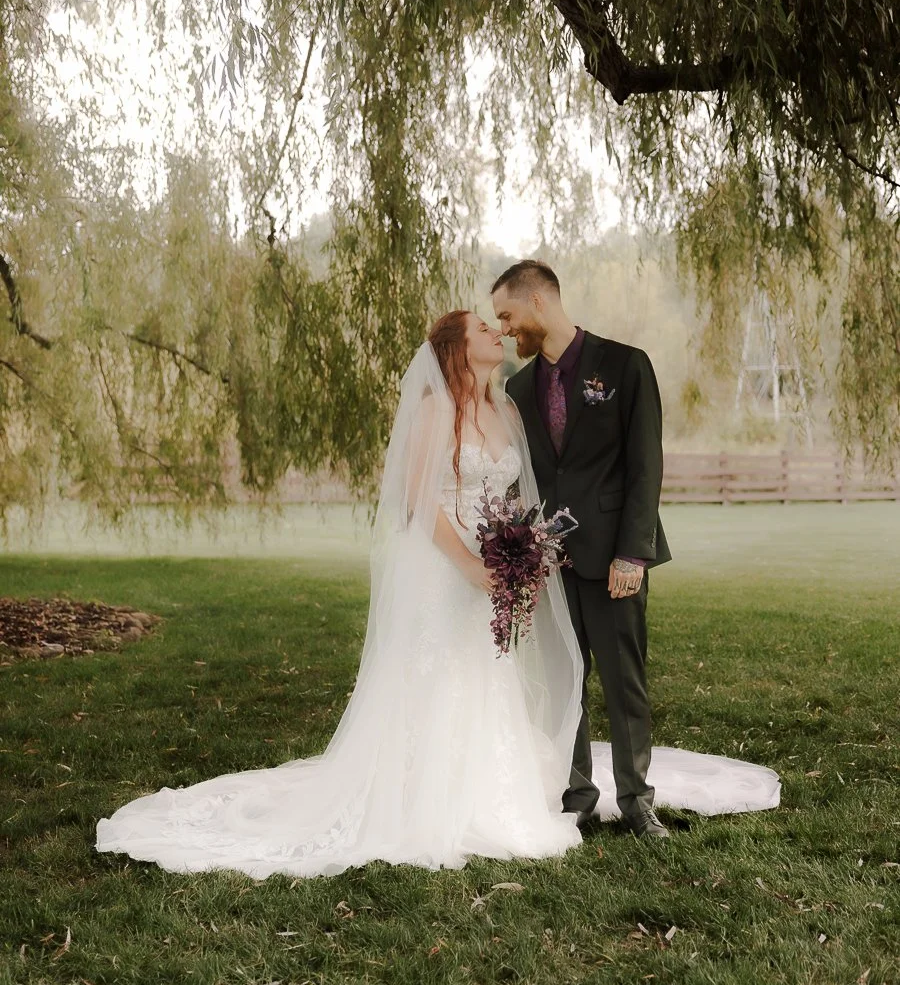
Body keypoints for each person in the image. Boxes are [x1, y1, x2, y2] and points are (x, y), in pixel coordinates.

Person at [96, 311, 585, 877]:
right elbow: (417, 502)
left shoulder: (505, 411)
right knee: (431, 674)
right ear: (456, 348)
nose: (497, 333)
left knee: (481, 672)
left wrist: (518, 550)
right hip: (441, 567)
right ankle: (413, 798)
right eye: (483, 328)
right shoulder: (436, 410)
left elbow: (514, 495)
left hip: (488, 569)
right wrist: (472, 566)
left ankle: (482, 794)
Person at [492, 259, 672, 838]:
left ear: (539, 302)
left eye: (508, 315)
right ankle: (578, 794)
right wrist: (519, 549)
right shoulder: (517, 389)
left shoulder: (625, 365)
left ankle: (637, 799)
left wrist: (633, 554)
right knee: (566, 681)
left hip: (614, 558)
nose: (505, 329)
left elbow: (646, 466)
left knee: (624, 681)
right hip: (551, 563)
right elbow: (524, 479)